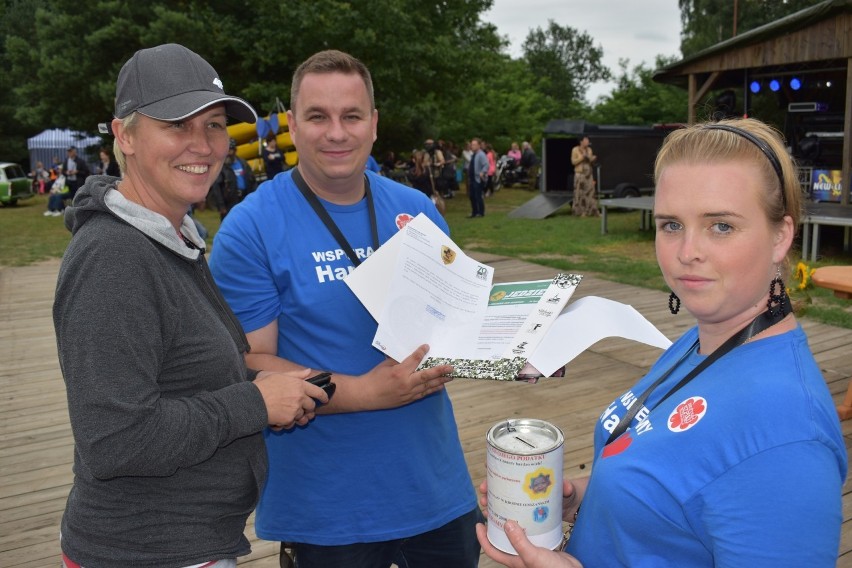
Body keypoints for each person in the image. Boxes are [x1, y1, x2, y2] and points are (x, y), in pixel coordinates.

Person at [475, 118, 847, 568]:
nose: (687, 250)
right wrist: (585, 498)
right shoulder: (705, 340)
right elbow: (679, 481)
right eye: (671, 224)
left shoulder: (787, 439)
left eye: (721, 226)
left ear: (781, 237)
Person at [52, 43, 329, 568]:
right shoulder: (113, 255)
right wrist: (255, 404)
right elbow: (115, 439)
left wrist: (272, 387)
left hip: (191, 543)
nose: (202, 145)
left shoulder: (172, 237)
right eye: (177, 125)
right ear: (125, 136)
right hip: (145, 550)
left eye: (215, 125)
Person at [208, 49, 481, 568]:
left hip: (437, 489)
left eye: (351, 116)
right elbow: (247, 363)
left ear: (373, 124)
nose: (337, 132)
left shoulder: (416, 211)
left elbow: (454, 322)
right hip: (328, 510)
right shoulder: (251, 228)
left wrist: (518, 352)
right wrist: (361, 392)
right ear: (291, 125)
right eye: (318, 116)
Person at [571, 136, 598, 217]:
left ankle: (592, 211)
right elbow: (573, 162)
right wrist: (582, 157)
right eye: (586, 140)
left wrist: (592, 159)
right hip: (580, 174)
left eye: (588, 140)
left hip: (588, 174)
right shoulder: (575, 149)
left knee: (591, 192)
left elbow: (591, 162)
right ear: (581, 141)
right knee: (580, 193)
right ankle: (580, 212)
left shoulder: (589, 150)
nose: (587, 142)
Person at [468, 137, 488, 218]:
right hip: (472, 178)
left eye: (474, 145)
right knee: (472, 196)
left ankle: (480, 212)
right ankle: (474, 212)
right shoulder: (474, 154)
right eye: (472, 144)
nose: (472, 146)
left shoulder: (481, 154)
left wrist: (482, 172)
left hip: (478, 179)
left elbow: (486, 165)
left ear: (479, 145)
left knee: (478, 196)